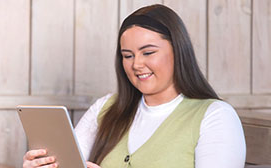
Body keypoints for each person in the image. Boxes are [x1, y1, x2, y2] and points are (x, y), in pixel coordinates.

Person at [22, 4, 246, 168]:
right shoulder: (105, 108)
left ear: (178, 51)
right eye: (127, 55)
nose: (137, 64)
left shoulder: (216, 116)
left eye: (148, 52)